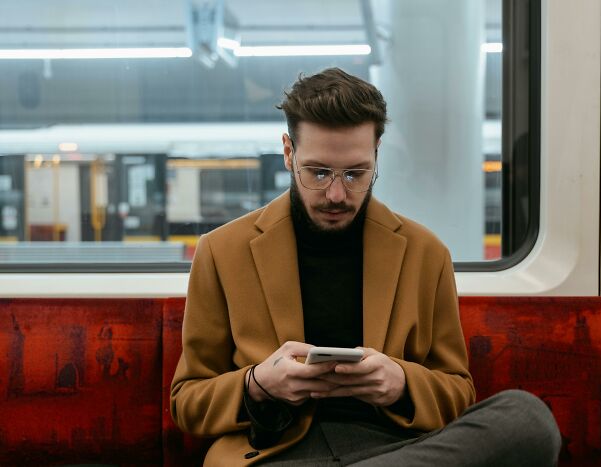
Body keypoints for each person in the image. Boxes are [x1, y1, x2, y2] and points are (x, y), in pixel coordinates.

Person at [170, 68, 561, 466]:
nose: (336, 194)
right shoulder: (223, 251)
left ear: (376, 156)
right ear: (289, 154)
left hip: (397, 449)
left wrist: (401, 384)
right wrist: (258, 384)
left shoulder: (425, 253)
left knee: (526, 418)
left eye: (356, 174)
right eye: (318, 172)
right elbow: (187, 401)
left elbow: (457, 391)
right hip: (275, 454)